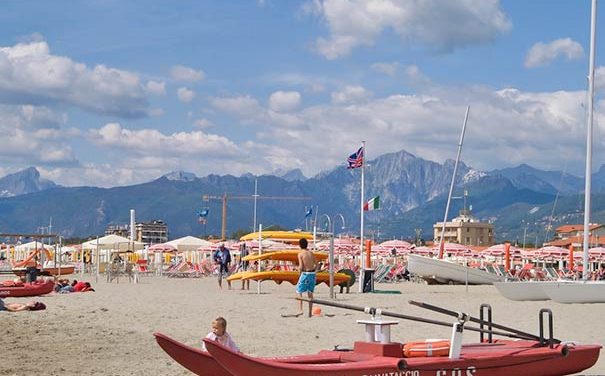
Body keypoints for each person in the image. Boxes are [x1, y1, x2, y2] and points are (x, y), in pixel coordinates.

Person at [295, 238, 317, 317]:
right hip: (312, 274)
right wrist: (314, 270)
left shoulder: (300, 254)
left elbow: (301, 266)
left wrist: (299, 273)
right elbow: (316, 264)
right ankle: (310, 313)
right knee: (310, 294)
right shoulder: (311, 253)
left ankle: (300, 310)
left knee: (298, 291)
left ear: (300, 245)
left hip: (305, 274)